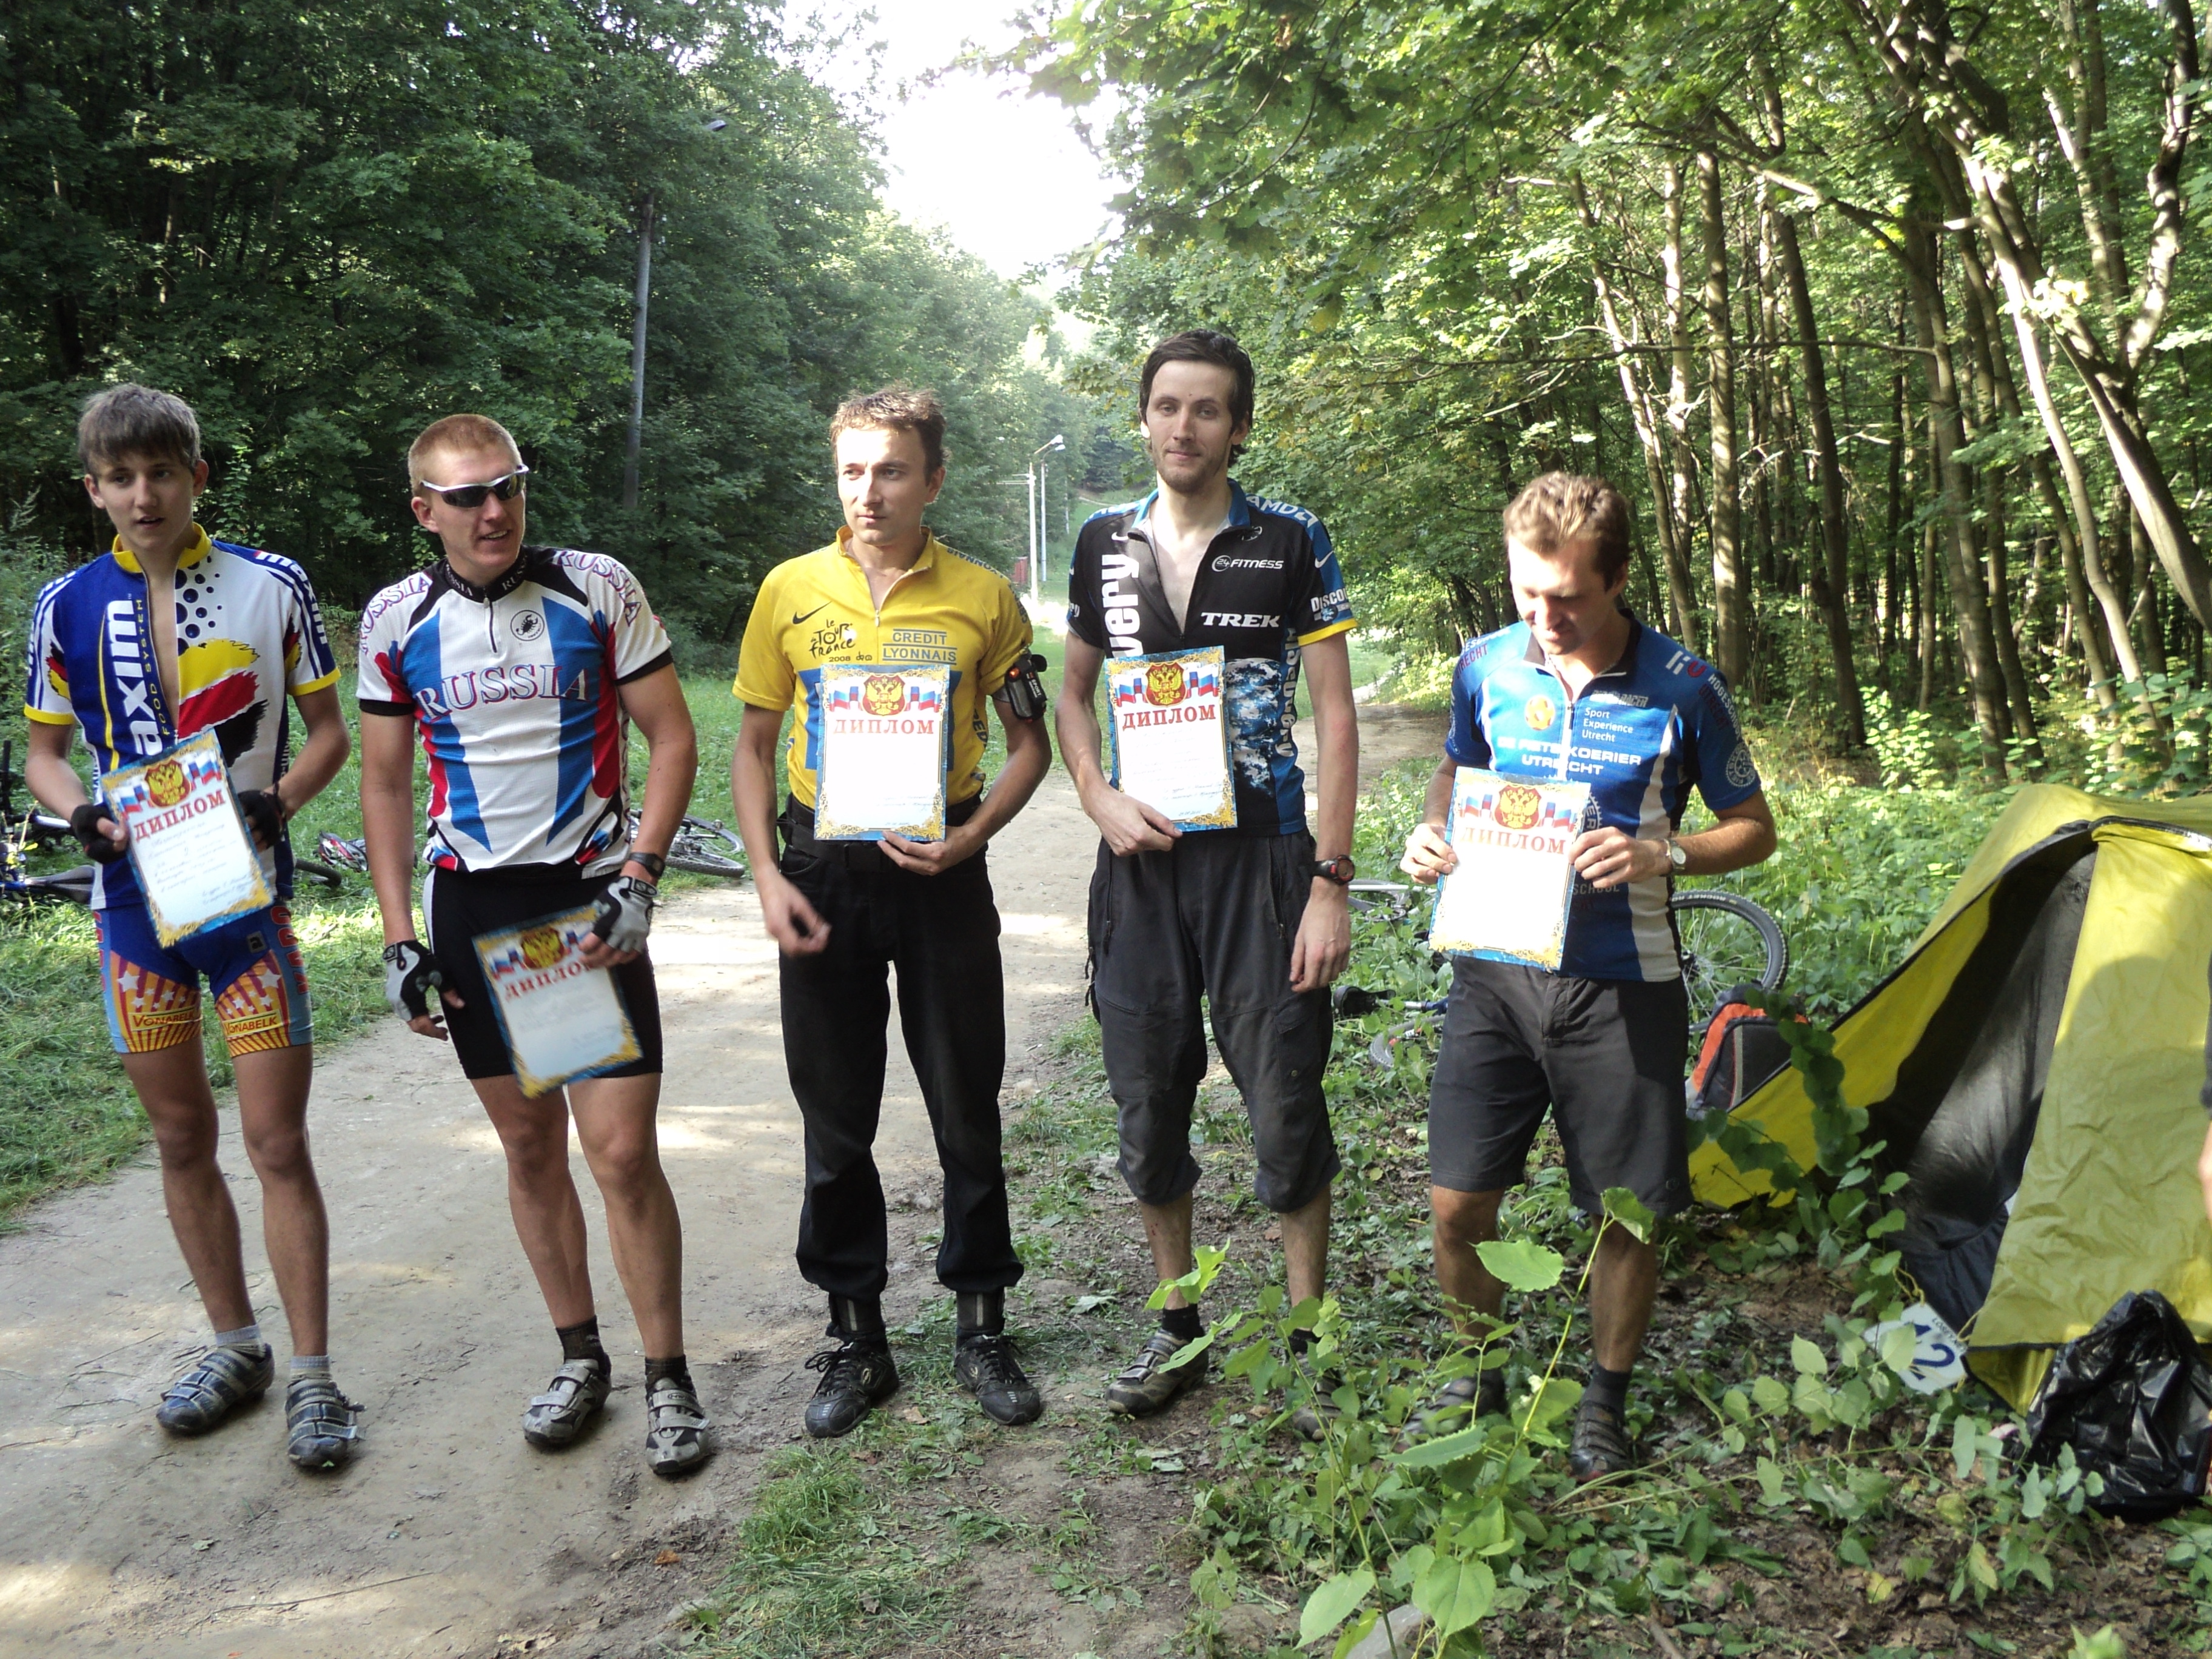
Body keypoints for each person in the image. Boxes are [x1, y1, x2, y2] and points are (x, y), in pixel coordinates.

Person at [1398, 472, 1777, 1480]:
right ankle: (1481, 1371)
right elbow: (1455, 765)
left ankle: (1603, 1401)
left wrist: (1666, 853)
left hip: (1622, 985)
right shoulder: (1485, 665)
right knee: (1457, 1203)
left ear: (1616, 579)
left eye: (1566, 597)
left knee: (1626, 1210)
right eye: (1527, 592)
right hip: (1493, 973)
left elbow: (1755, 828)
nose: (1545, 618)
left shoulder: (1683, 685)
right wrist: (1433, 827)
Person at [356, 414, 710, 1476]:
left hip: (581, 904)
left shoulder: (595, 587)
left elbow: (672, 736)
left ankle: (669, 1378)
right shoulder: (395, 618)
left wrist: (640, 874)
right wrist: (399, 938)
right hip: (473, 908)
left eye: (507, 487)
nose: (493, 511)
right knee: (528, 1149)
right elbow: (384, 784)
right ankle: (580, 1358)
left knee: (621, 1154)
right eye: (466, 497)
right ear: (425, 511)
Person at [21, 384, 357, 1469]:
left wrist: (278, 802)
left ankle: (315, 1377)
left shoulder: (273, 584)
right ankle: (236, 1348)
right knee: (178, 1139)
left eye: (161, 472)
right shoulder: (65, 604)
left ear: (197, 477)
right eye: (120, 478)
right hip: (134, 911)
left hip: (244, 904)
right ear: (94, 490)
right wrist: (80, 813)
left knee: (276, 1143)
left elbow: (328, 733)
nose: (143, 495)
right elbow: (44, 753)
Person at [731, 386, 1052, 1437]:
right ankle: (856, 1338)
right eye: (852, 471)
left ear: (934, 480)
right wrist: (769, 875)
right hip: (823, 867)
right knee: (835, 1115)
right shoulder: (790, 590)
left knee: (966, 1103)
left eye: (892, 471)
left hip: (942, 867)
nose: (868, 492)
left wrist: (972, 838)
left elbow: (1031, 744)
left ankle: (982, 1326)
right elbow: (752, 746)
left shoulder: (985, 599)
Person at [1057, 330, 1359, 1429]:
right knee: (1149, 1100)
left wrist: (1330, 880)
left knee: (1284, 1097)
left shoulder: (1289, 539)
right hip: (1141, 864)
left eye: (1208, 410)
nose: (1184, 427)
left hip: (1264, 861)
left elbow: (1336, 715)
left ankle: (1309, 1334)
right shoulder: (1103, 543)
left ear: (1238, 428)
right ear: (1144, 418)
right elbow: (1073, 694)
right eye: (1168, 407)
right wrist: (1095, 793)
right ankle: (1176, 1324)